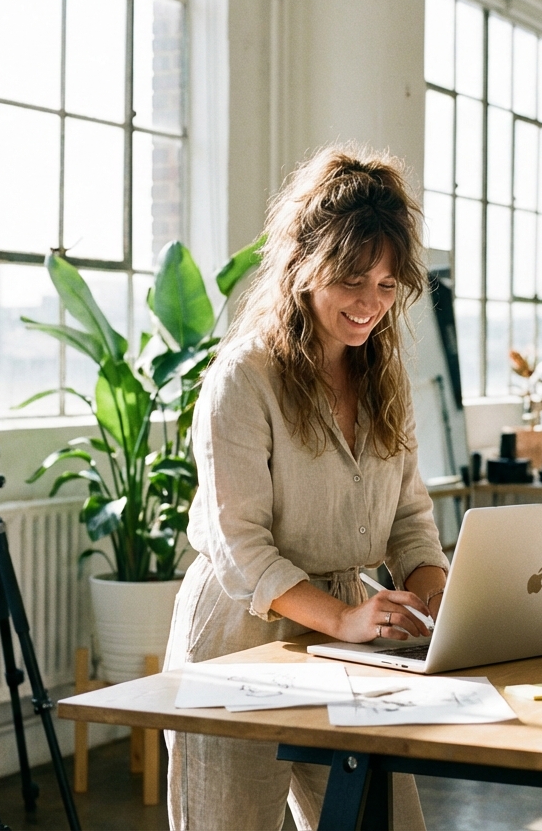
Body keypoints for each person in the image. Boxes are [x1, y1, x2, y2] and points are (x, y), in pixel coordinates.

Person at [163, 144, 450, 830]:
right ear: (303, 265)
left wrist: (447, 609)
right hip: (240, 639)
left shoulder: (384, 378)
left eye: (387, 286)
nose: (370, 304)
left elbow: (409, 520)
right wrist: (347, 619)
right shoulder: (245, 378)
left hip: (348, 639)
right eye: (353, 279)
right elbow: (241, 548)